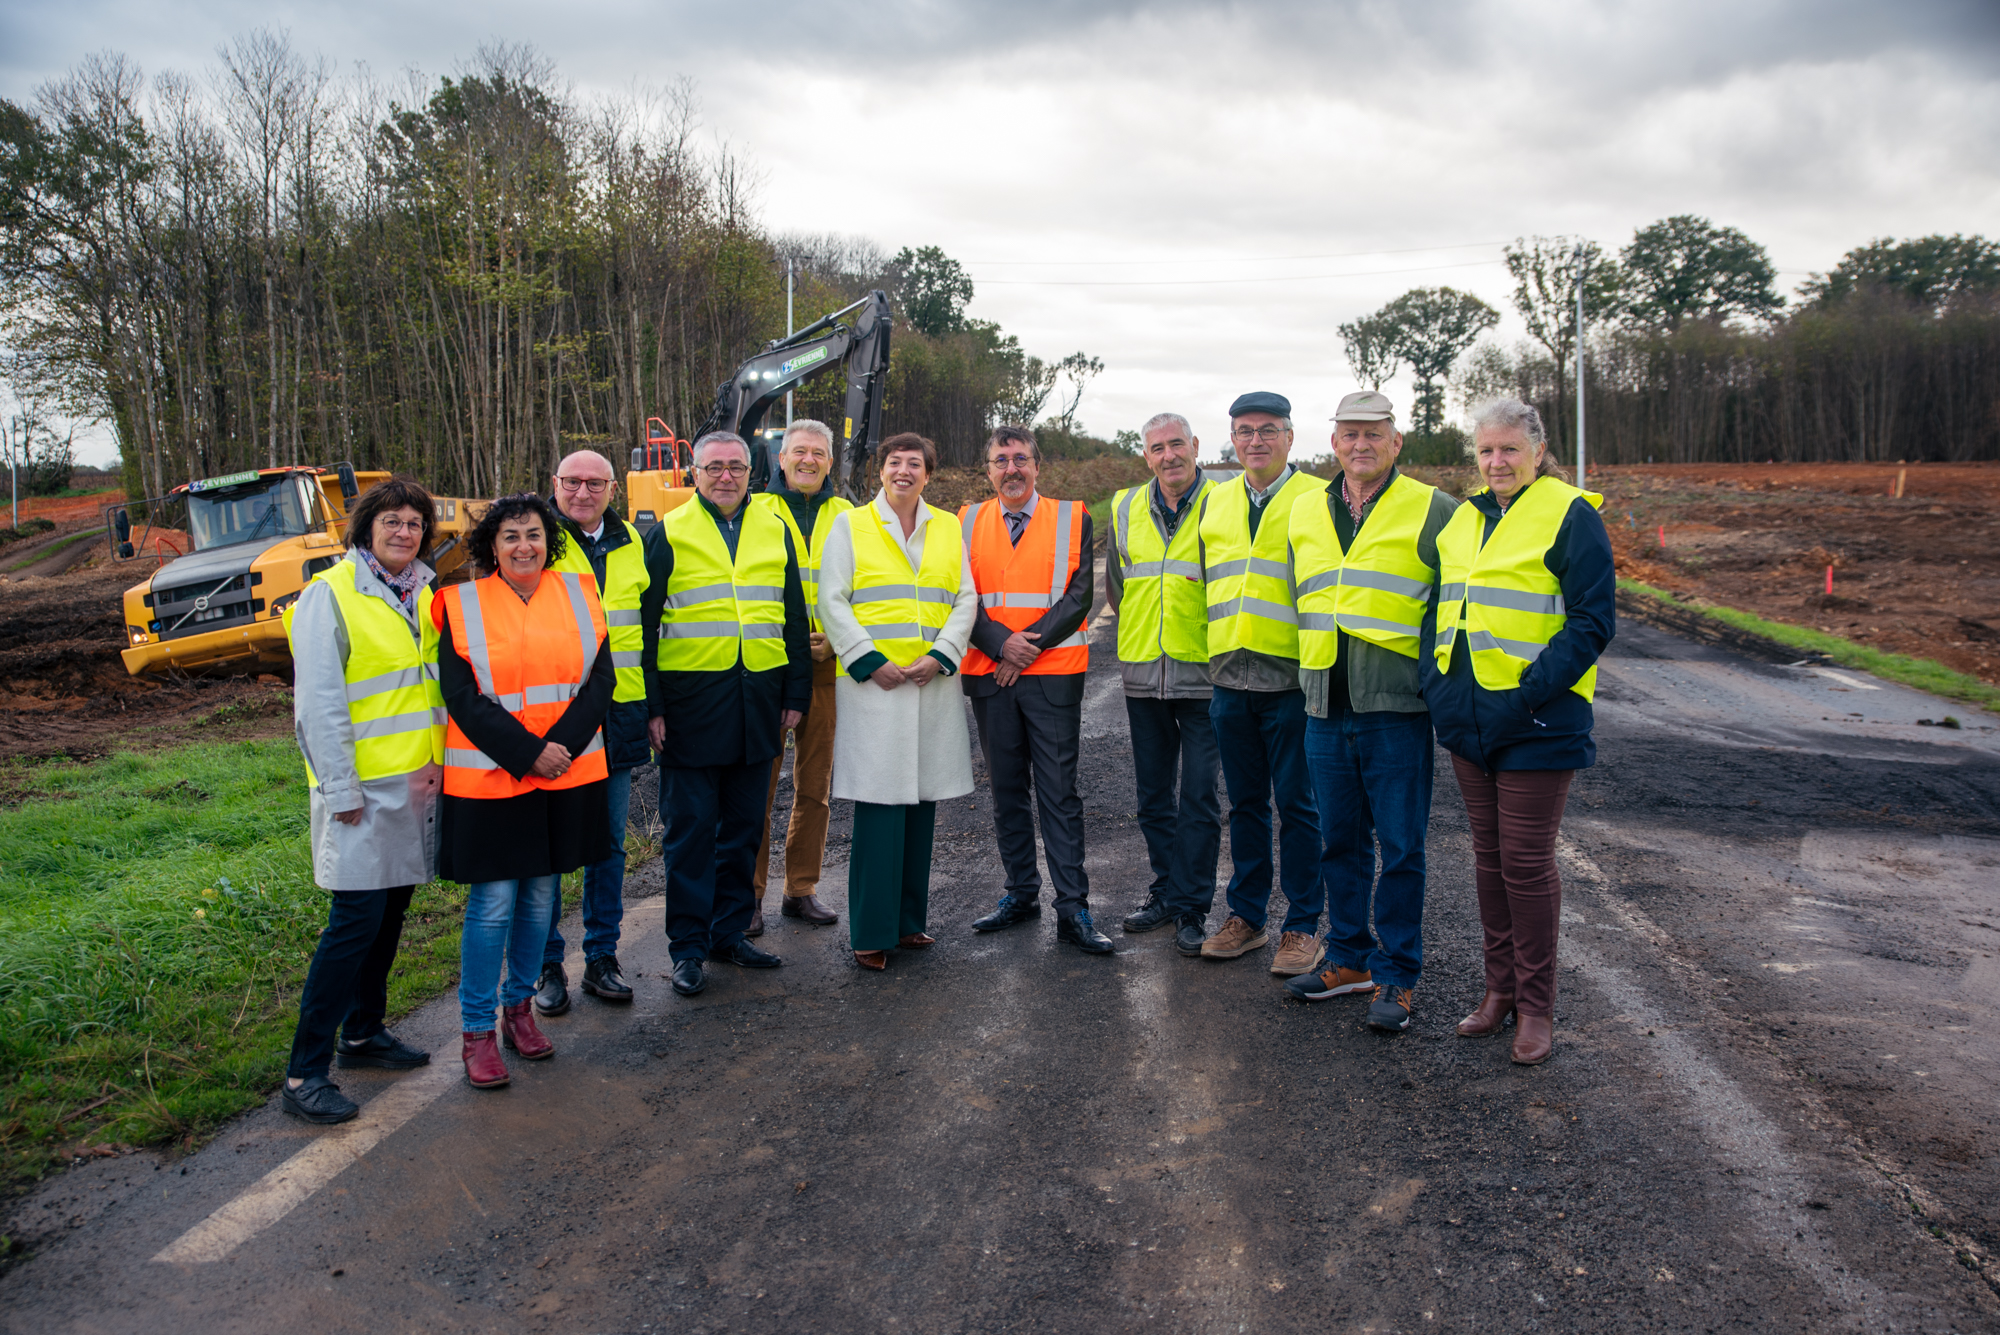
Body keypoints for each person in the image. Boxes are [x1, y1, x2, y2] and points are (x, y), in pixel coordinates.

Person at [1424, 398, 1615, 1065]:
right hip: (1470, 717)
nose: (1497, 462)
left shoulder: (1570, 514)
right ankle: (1497, 992)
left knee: (1528, 864)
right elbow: (1442, 609)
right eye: (1485, 451)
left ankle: (1536, 1007)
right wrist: (1437, 685)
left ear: (1538, 449)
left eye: (1509, 449)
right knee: (1489, 859)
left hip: (1538, 718)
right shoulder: (1464, 520)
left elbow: (1592, 622)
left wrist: (1530, 691)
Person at [1282, 392, 1461, 1032]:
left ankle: (1396, 974)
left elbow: (1451, 606)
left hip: (1395, 704)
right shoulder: (1305, 510)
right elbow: (1297, 597)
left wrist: (1436, 686)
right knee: (1340, 842)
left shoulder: (1434, 508)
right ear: (1333, 442)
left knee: (1402, 846)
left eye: (1374, 433)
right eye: (1350, 433)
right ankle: (1350, 960)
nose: (1361, 444)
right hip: (1324, 701)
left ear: (1396, 440)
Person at [434, 492, 616, 1089]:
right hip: (492, 778)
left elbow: (600, 680)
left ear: (549, 541)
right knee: (491, 908)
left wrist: (555, 749)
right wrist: (528, 753)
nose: (523, 545)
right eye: (510, 536)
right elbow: (461, 697)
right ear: (491, 545)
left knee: (541, 899)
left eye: (533, 534)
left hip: (563, 773)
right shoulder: (459, 604)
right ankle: (476, 1032)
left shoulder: (579, 593)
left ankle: (519, 1010)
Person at [279, 477, 445, 1124]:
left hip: (413, 788)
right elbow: (317, 704)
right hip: (360, 794)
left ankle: (364, 1032)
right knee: (352, 927)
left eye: (414, 523)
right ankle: (303, 1072)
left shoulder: (423, 593)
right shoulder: (331, 594)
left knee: (388, 916)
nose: (404, 531)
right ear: (364, 528)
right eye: (392, 521)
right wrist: (341, 786)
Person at [642, 431, 813, 998]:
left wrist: (796, 693)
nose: (725, 476)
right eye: (713, 467)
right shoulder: (668, 532)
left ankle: (729, 932)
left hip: (758, 703)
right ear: (695, 473)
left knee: (743, 829)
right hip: (691, 705)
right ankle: (688, 948)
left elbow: (793, 614)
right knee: (690, 835)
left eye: (736, 467)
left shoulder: (773, 528)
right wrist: (654, 707)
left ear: (751, 471)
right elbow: (643, 628)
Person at [817, 433, 979, 969]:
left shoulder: (947, 526)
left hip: (930, 682)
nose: (904, 471)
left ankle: (909, 924)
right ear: (880, 471)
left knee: (921, 807)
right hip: (877, 688)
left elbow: (964, 597)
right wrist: (866, 659)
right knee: (881, 810)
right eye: (894, 462)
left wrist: (943, 653)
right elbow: (831, 598)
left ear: (929, 474)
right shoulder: (852, 525)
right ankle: (870, 931)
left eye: (915, 463)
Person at [960, 426, 1113, 955]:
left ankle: (1073, 908)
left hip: (1052, 674)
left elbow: (1079, 596)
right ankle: (1020, 895)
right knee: (1006, 793)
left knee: (1058, 793)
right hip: (990, 673)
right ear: (988, 471)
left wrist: (1027, 648)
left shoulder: (1073, 515)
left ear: (1037, 466)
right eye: (1000, 460)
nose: (1011, 469)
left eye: (1020, 458)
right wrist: (1002, 645)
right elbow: (957, 596)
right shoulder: (967, 520)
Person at [1195, 392, 1328, 973]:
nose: (1255, 440)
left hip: (1292, 681)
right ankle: (1246, 918)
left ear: (1290, 438)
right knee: (1246, 806)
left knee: (1299, 807)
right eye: (1245, 431)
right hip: (1229, 679)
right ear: (1233, 438)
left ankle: (1302, 926)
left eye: (1268, 430)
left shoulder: (1318, 498)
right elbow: (1207, 583)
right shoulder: (1216, 503)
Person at [532, 448, 655, 1016]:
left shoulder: (633, 542)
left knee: (607, 846)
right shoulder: (534, 542)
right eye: (572, 482)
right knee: (554, 847)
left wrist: (654, 707)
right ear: (554, 485)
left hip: (621, 714)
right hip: (555, 721)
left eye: (595, 483)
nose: (583, 493)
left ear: (613, 489)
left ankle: (602, 957)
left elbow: (647, 630)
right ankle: (547, 963)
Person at [1103, 412, 1222, 957]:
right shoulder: (1126, 506)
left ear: (1195, 446)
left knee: (1197, 796)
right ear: (1145, 455)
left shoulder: (1225, 500)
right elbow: (1119, 587)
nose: (1169, 455)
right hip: (1143, 671)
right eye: (1158, 448)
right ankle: (1165, 891)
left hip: (1204, 674)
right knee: (1153, 796)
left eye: (1177, 444)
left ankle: (1193, 905)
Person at [747, 420, 851, 934]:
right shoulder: (753, 511)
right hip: (770, 667)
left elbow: (865, 587)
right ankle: (749, 894)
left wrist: (837, 639)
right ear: (780, 459)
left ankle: (801, 889)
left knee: (815, 786)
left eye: (819, 453)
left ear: (831, 462)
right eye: (799, 452)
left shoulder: (849, 516)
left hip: (828, 667)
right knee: (757, 787)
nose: (808, 460)